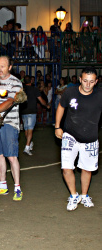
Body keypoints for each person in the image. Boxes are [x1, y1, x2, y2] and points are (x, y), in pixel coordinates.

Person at [55, 67, 102, 211]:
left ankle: (84, 195)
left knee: (87, 170)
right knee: (66, 168)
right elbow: (61, 107)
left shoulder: (100, 95)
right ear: (80, 80)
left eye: (91, 82)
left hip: (90, 139)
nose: (88, 84)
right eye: (85, 81)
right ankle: (74, 195)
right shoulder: (70, 92)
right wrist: (57, 126)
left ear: (96, 82)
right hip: (70, 135)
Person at [0, 56, 23, 201]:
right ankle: (2, 185)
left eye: (3, 66)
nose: (0, 69)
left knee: (11, 156)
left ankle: (17, 187)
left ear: (10, 67)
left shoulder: (16, 83)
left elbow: (10, 101)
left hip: (9, 123)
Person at [21, 76, 49, 156]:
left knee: (26, 130)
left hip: (24, 111)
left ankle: (29, 144)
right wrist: (46, 105)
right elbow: (41, 101)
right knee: (30, 130)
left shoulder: (22, 89)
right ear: (31, 81)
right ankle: (27, 147)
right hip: (32, 111)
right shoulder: (34, 89)